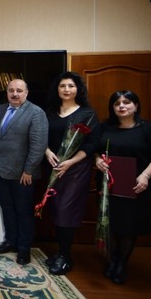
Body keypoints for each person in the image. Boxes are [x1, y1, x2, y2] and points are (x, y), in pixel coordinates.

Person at [95, 90, 151, 284]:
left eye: (126, 102)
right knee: (110, 225)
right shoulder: (105, 128)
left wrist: (145, 176)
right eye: (117, 103)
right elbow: (95, 150)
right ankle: (112, 261)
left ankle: (121, 263)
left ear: (136, 106)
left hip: (137, 187)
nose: (121, 106)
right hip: (110, 186)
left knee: (129, 227)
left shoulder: (148, 129)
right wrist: (97, 160)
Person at [44, 71, 100, 275]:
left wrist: (71, 162)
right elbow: (40, 136)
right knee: (55, 210)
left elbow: (93, 143)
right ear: (57, 90)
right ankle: (61, 252)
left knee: (66, 211)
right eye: (62, 86)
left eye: (71, 86)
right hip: (53, 167)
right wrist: (47, 152)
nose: (66, 89)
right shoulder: (50, 113)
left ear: (78, 89)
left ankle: (65, 255)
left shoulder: (87, 114)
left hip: (76, 170)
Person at [0, 79, 48, 265]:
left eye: (19, 91)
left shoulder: (36, 112)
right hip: (0, 170)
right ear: (7, 92)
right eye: (11, 90)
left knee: (23, 212)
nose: (15, 94)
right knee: (7, 208)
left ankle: (24, 249)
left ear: (26, 93)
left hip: (23, 174)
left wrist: (29, 170)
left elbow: (39, 145)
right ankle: (10, 241)